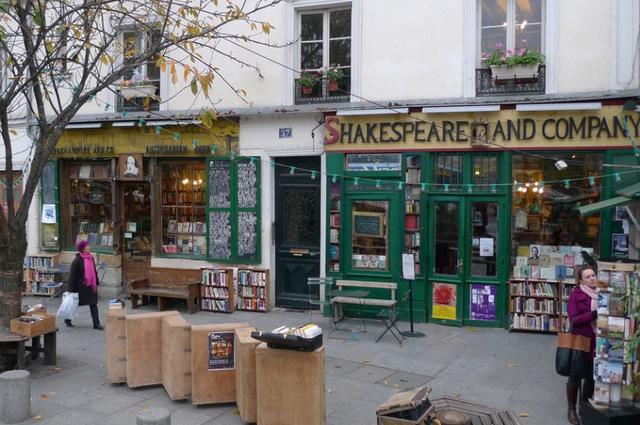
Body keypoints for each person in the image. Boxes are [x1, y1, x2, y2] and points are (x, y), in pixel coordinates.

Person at [565, 265, 597, 424]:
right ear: (580, 280)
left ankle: (585, 407)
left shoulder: (602, 294)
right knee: (575, 375)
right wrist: (593, 314)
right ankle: (571, 409)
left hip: (597, 341)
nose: (592, 278)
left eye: (593, 275)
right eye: (588, 277)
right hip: (580, 339)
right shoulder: (576, 295)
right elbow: (574, 320)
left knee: (591, 376)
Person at [66, 240, 103, 330]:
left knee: (93, 304)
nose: (89, 247)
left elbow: (94, 271)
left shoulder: (91, 258)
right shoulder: (77, 260)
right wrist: (70, 289)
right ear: (82, 249)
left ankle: (96, 324)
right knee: (74, 304)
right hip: (79, 287)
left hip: (90, 286)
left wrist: (96, 282)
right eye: (87, 246)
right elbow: (72, 276)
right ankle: (68, 319)